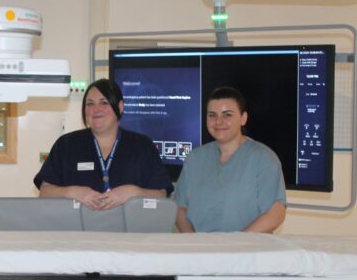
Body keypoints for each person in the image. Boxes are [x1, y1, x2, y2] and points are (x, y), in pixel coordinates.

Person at [34, 78, 173, 210]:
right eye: (90, 104)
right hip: (77, 232)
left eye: (104, 102)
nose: (96, 109)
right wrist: (73, 192)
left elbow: (161, 194)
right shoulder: (66, 145)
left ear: (120, 107)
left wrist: (133, 193)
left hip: (130, 232)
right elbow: (45, 192)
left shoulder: (142, 146)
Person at [174, 86, 286, 233]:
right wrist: (194, 243)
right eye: (212, 115)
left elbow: (275, 213)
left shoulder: (263, 158)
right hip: (200, 251)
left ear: (243, 118)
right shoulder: (195, 159)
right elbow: (180, 207)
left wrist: (235, 245)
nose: (219, 122)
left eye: (227, 115)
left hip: (245, 251)